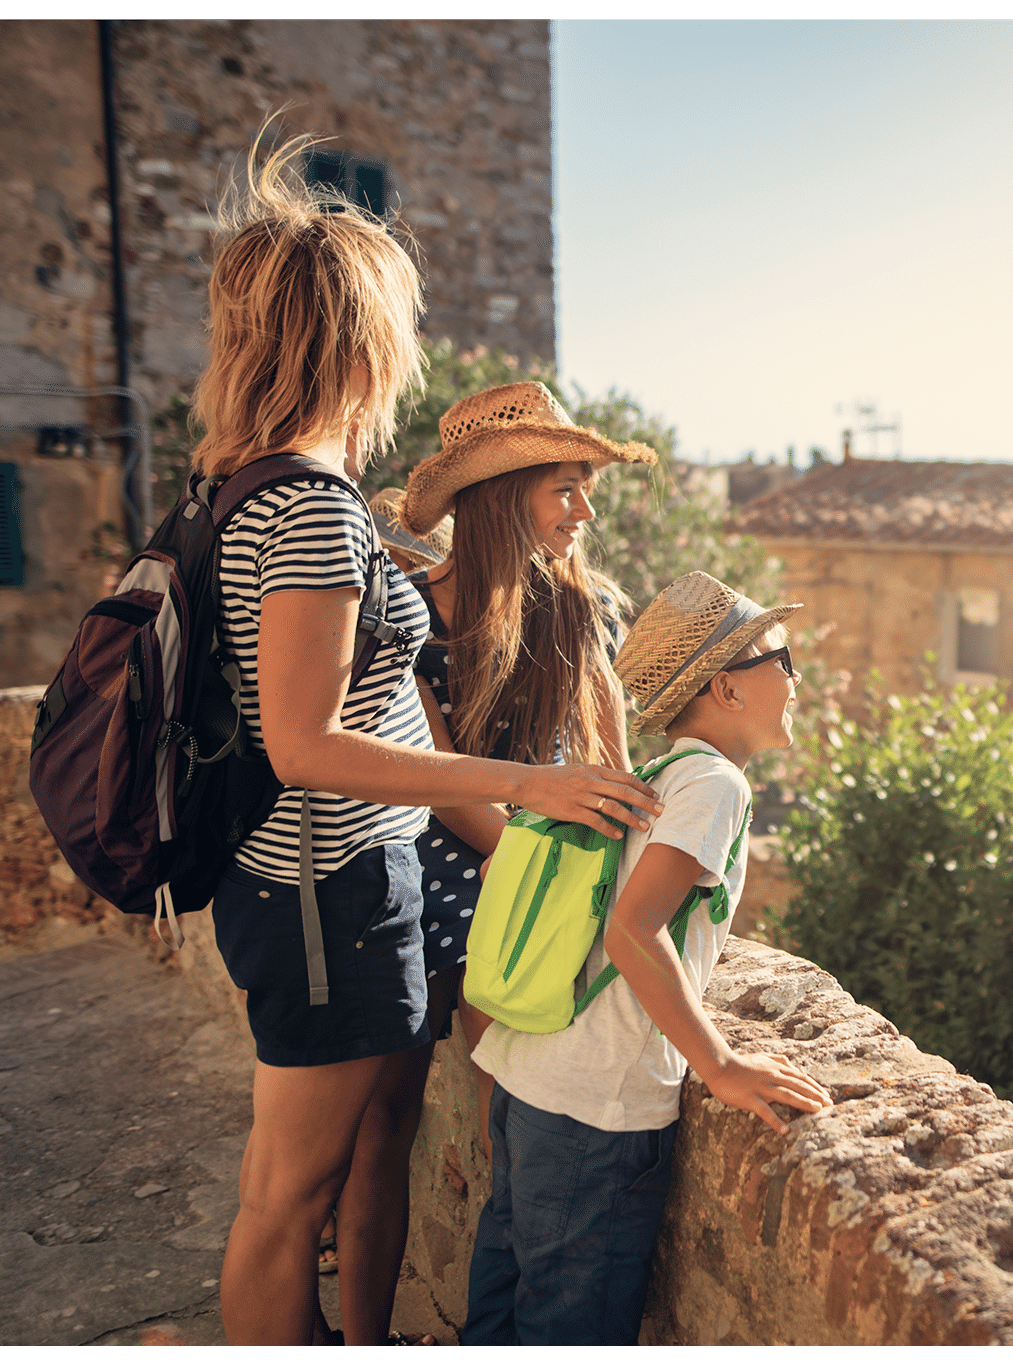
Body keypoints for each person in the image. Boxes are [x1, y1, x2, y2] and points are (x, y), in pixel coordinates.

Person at [193, 130, 663, 1347]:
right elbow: (305, 743)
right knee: (286, 1199)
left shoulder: (253, 481)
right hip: (323, 885)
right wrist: (526, 782)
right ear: (357, 338)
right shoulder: (301, 502)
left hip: (326, 884)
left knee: (298, 1184)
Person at [462, 571, 835, 1346]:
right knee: (570, 1331)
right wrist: (721, 1065)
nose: (796, 679)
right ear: (727, 689)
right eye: (782, 659)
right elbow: (634, 931)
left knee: (502, 1308)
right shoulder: (716, 785)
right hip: (599, 1105)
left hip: (535, 1072)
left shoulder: (659, 773)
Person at [395, 380, 652, 1155]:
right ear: (502, 497)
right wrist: (532, 869)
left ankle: (510, 1197)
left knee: (518, 1051)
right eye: (566, 490)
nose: (587, 512)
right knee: (393, 1097)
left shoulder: (586, 610)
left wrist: (617, 867)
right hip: (452, 845)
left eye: (587, 491)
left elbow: (613, 759)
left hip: (544, 845)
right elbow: (436, 774)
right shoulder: (410, 614)